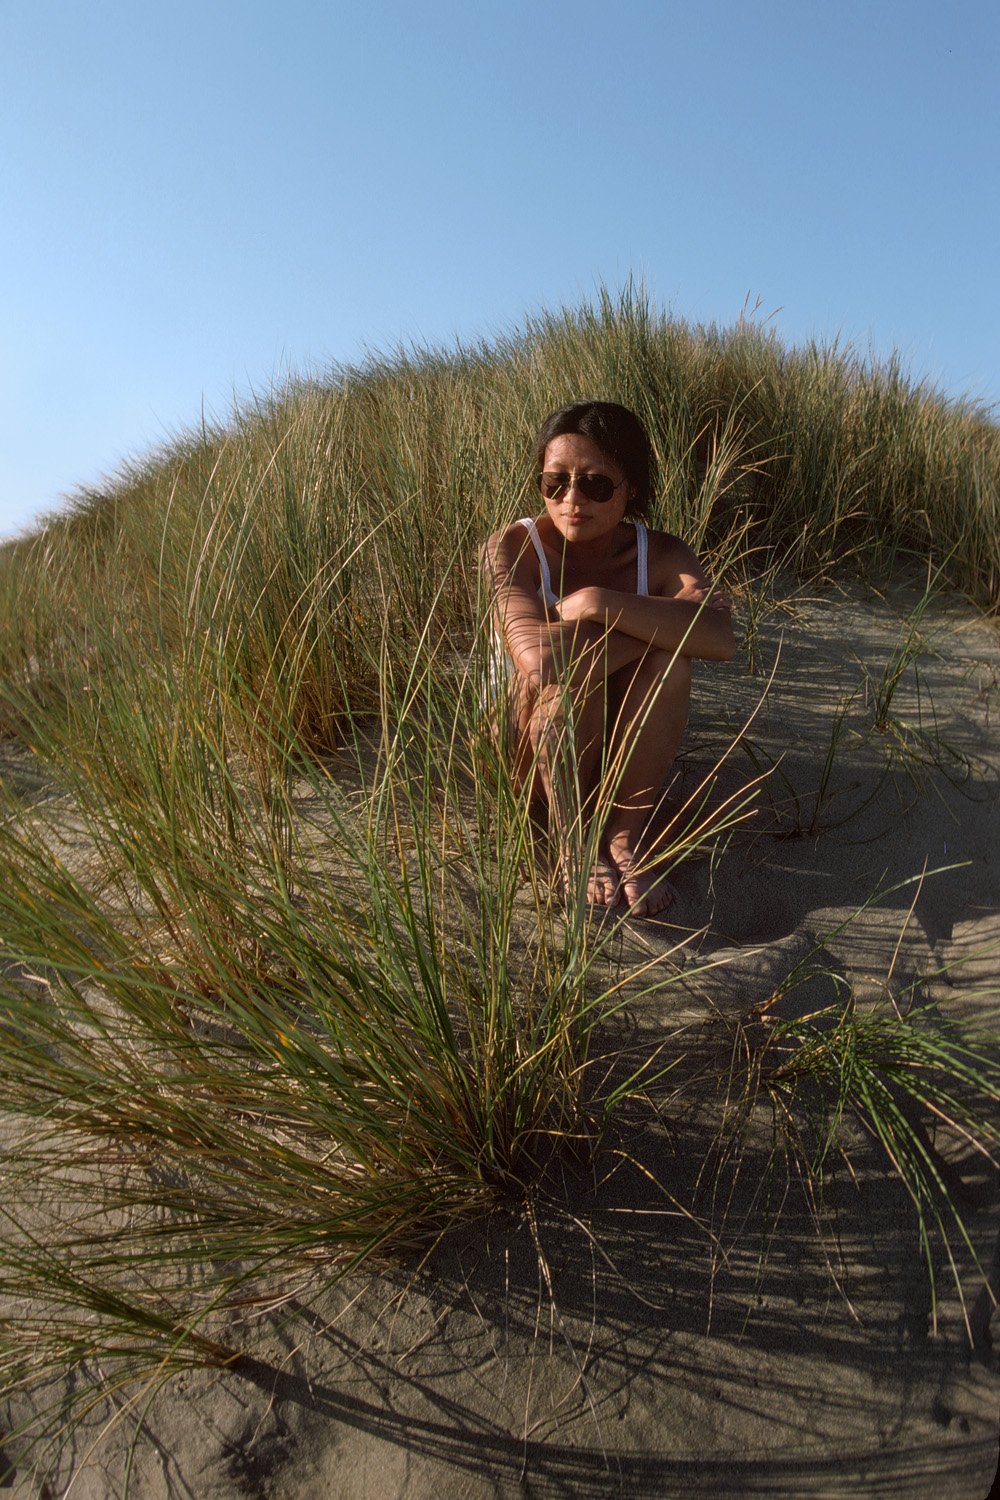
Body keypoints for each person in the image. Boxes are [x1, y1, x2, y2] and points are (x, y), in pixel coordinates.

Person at [483, 399, 735, 917]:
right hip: (530, 753)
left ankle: (623, 837)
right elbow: (541, 665)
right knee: (575, 678)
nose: (572, 499)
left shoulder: (661, 553)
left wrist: (598, 603)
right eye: (555, 482)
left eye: (596, 485)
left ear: (631, 489)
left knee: (671, 664)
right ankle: (573, 843)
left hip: (618, 756)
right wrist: (666, 628)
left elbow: (722, 640)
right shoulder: (513, 546)